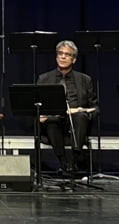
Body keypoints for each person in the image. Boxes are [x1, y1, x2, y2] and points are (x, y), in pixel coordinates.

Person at [36, 39, 96, 175]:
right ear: (56, 56)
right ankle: (63, 163)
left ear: (74, 59)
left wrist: (84, 112)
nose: (63, 57)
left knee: (80, 117)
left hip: (77, 123)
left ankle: (74, 160)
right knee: (52, 121)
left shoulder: (85, 80)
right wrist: (41, 116)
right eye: (60, 53)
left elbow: (95, 107)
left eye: (67, 54)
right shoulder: (44, 79)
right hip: (53, 122)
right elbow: (38, 107)